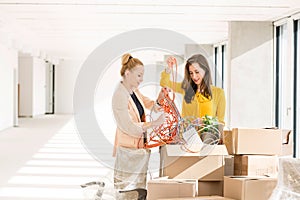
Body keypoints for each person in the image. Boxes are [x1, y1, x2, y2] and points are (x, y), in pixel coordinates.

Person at [112, 53, 165, 199]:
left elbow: (146, 103)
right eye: (139, 76)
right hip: (128, 150)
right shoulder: (119, 95)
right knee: (127, 191)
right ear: (128, 74)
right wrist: (153, 124)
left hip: (139, 149)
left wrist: (159, 101)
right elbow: (129, 126)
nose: (142, 80)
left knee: (139, 191)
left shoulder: (133, 89)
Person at [160, 54, 226, 125]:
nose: (194, 76)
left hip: (207, 135)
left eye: (197, 72)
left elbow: (220, 122)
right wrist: (169, 68)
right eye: (191, 73)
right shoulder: (186, 89)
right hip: (186, 135)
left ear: (205, 70)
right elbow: (164, 83)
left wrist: (205, 122)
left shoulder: (218, 93)